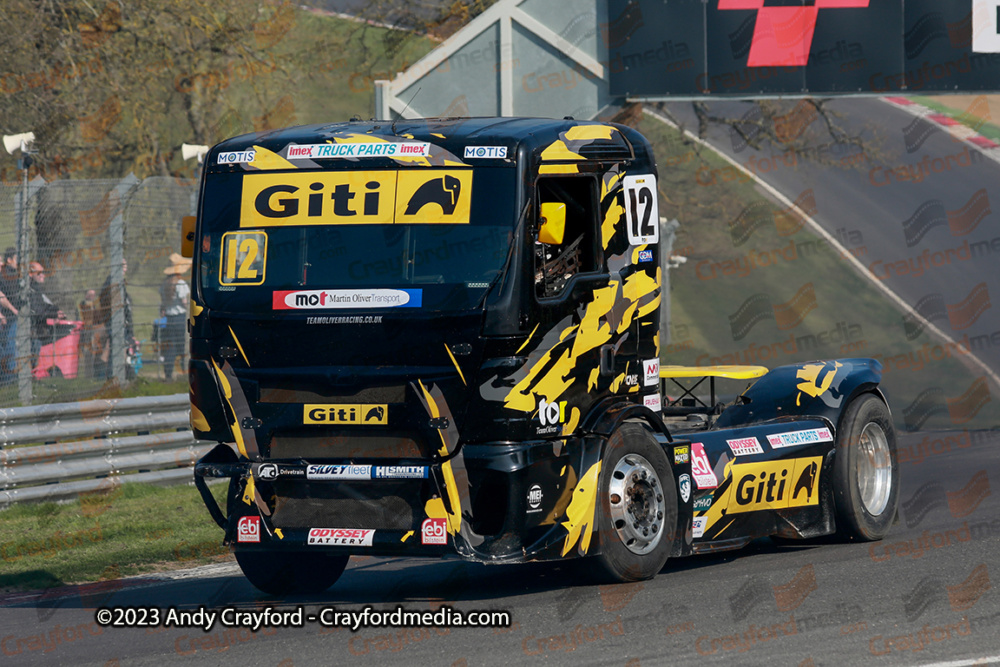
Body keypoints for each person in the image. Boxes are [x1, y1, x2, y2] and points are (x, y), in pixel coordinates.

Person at [95, 259, 133, 379]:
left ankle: (117, 376)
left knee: (117, 349)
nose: (125, 269)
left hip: (121, 323)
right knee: (115, 350)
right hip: (115, 323)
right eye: (123, 266)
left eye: (126, 266)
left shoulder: (119, 282)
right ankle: (113, 377)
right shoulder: (111, 283)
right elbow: (113, 305)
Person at [159, 254, 191, 381]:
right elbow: (185, 302)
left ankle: (168, 375)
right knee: (183, 346)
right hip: (180, 318)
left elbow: (163, 303)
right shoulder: (181, 283)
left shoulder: (164, 284)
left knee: (170, 348)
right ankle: (184, 373)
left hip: (169, 319)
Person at [28, 261, 65, 366]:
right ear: (31, 274)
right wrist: (53, 315)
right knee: (33, 353)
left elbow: (44, 305)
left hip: (38, 328)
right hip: (32, 328)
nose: (42, 275)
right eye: (39, 273)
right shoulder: (30, 289)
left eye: (43, 272)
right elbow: (37, 311)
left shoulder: (36, 288)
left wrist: (56, 311)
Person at [0, 249, 21, 384]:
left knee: (10, 345)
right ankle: (7, 377)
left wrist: (13, 310)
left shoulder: (7, 275)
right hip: (6, 317)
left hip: (8, 317)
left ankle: (9, 377)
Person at [78, 289, 98, 378]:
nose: (91, 297)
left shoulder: (96, 305)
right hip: (86, 332)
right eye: (89, 295)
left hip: (95, 331)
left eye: (93, 295)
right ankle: (88, 374)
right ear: (86, 295)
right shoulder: (82, 305)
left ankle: (95, 373)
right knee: (88, 352)